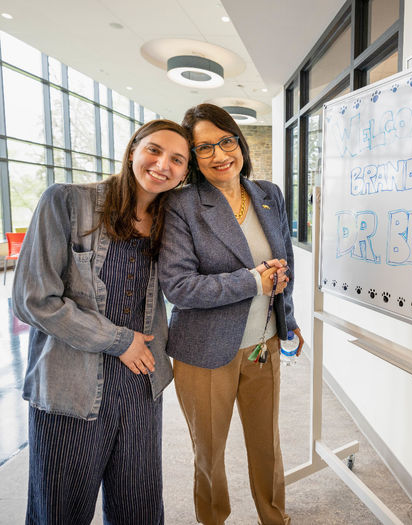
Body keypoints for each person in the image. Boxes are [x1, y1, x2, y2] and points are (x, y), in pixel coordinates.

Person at [12, 119, 191, 525]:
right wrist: (118, 340)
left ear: (184, 173)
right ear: (133, 150)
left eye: (177, 160)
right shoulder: (66, 202)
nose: (163, 164)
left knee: (140, 511)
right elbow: (32, 299)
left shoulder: (171, 222)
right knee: (58, 513)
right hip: (70, 388)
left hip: (141, 386)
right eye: (154, 150)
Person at [159, 103, 303, 525]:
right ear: (193, 157)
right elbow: (179, 287)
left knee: (267, 444)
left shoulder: (268, 195)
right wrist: (252, 282)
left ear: (239, 141)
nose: (220, 155)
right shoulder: (181, 205)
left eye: (226, 141)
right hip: (203, 351)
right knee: (209, 451)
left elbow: (284, 262)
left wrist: (287, 319)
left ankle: (275, 517)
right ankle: (213, 519)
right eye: (205, 148)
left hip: (264, 342)